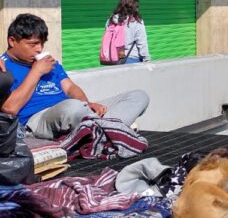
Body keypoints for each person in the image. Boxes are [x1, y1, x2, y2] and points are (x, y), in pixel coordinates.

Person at [0, 14, 150, 140]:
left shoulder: (48, 63)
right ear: (12, 41)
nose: (39, 49)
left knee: (138, 96)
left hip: (76, 113)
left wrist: (87, 103)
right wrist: (36, 72)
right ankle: (110, 130)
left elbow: (70, 87)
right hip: (37, 120)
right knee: (71, 106)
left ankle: (100, 131)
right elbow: (10, 108)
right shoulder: (3, 66)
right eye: (33, 44)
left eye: (42, 44)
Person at [105, 0, 150, 64]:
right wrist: (147, 59)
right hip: (131, 58)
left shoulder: (110, 20)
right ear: (134, 7)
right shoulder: (136, 21)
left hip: (112, 58)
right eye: (137, 6)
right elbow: (142, 43)